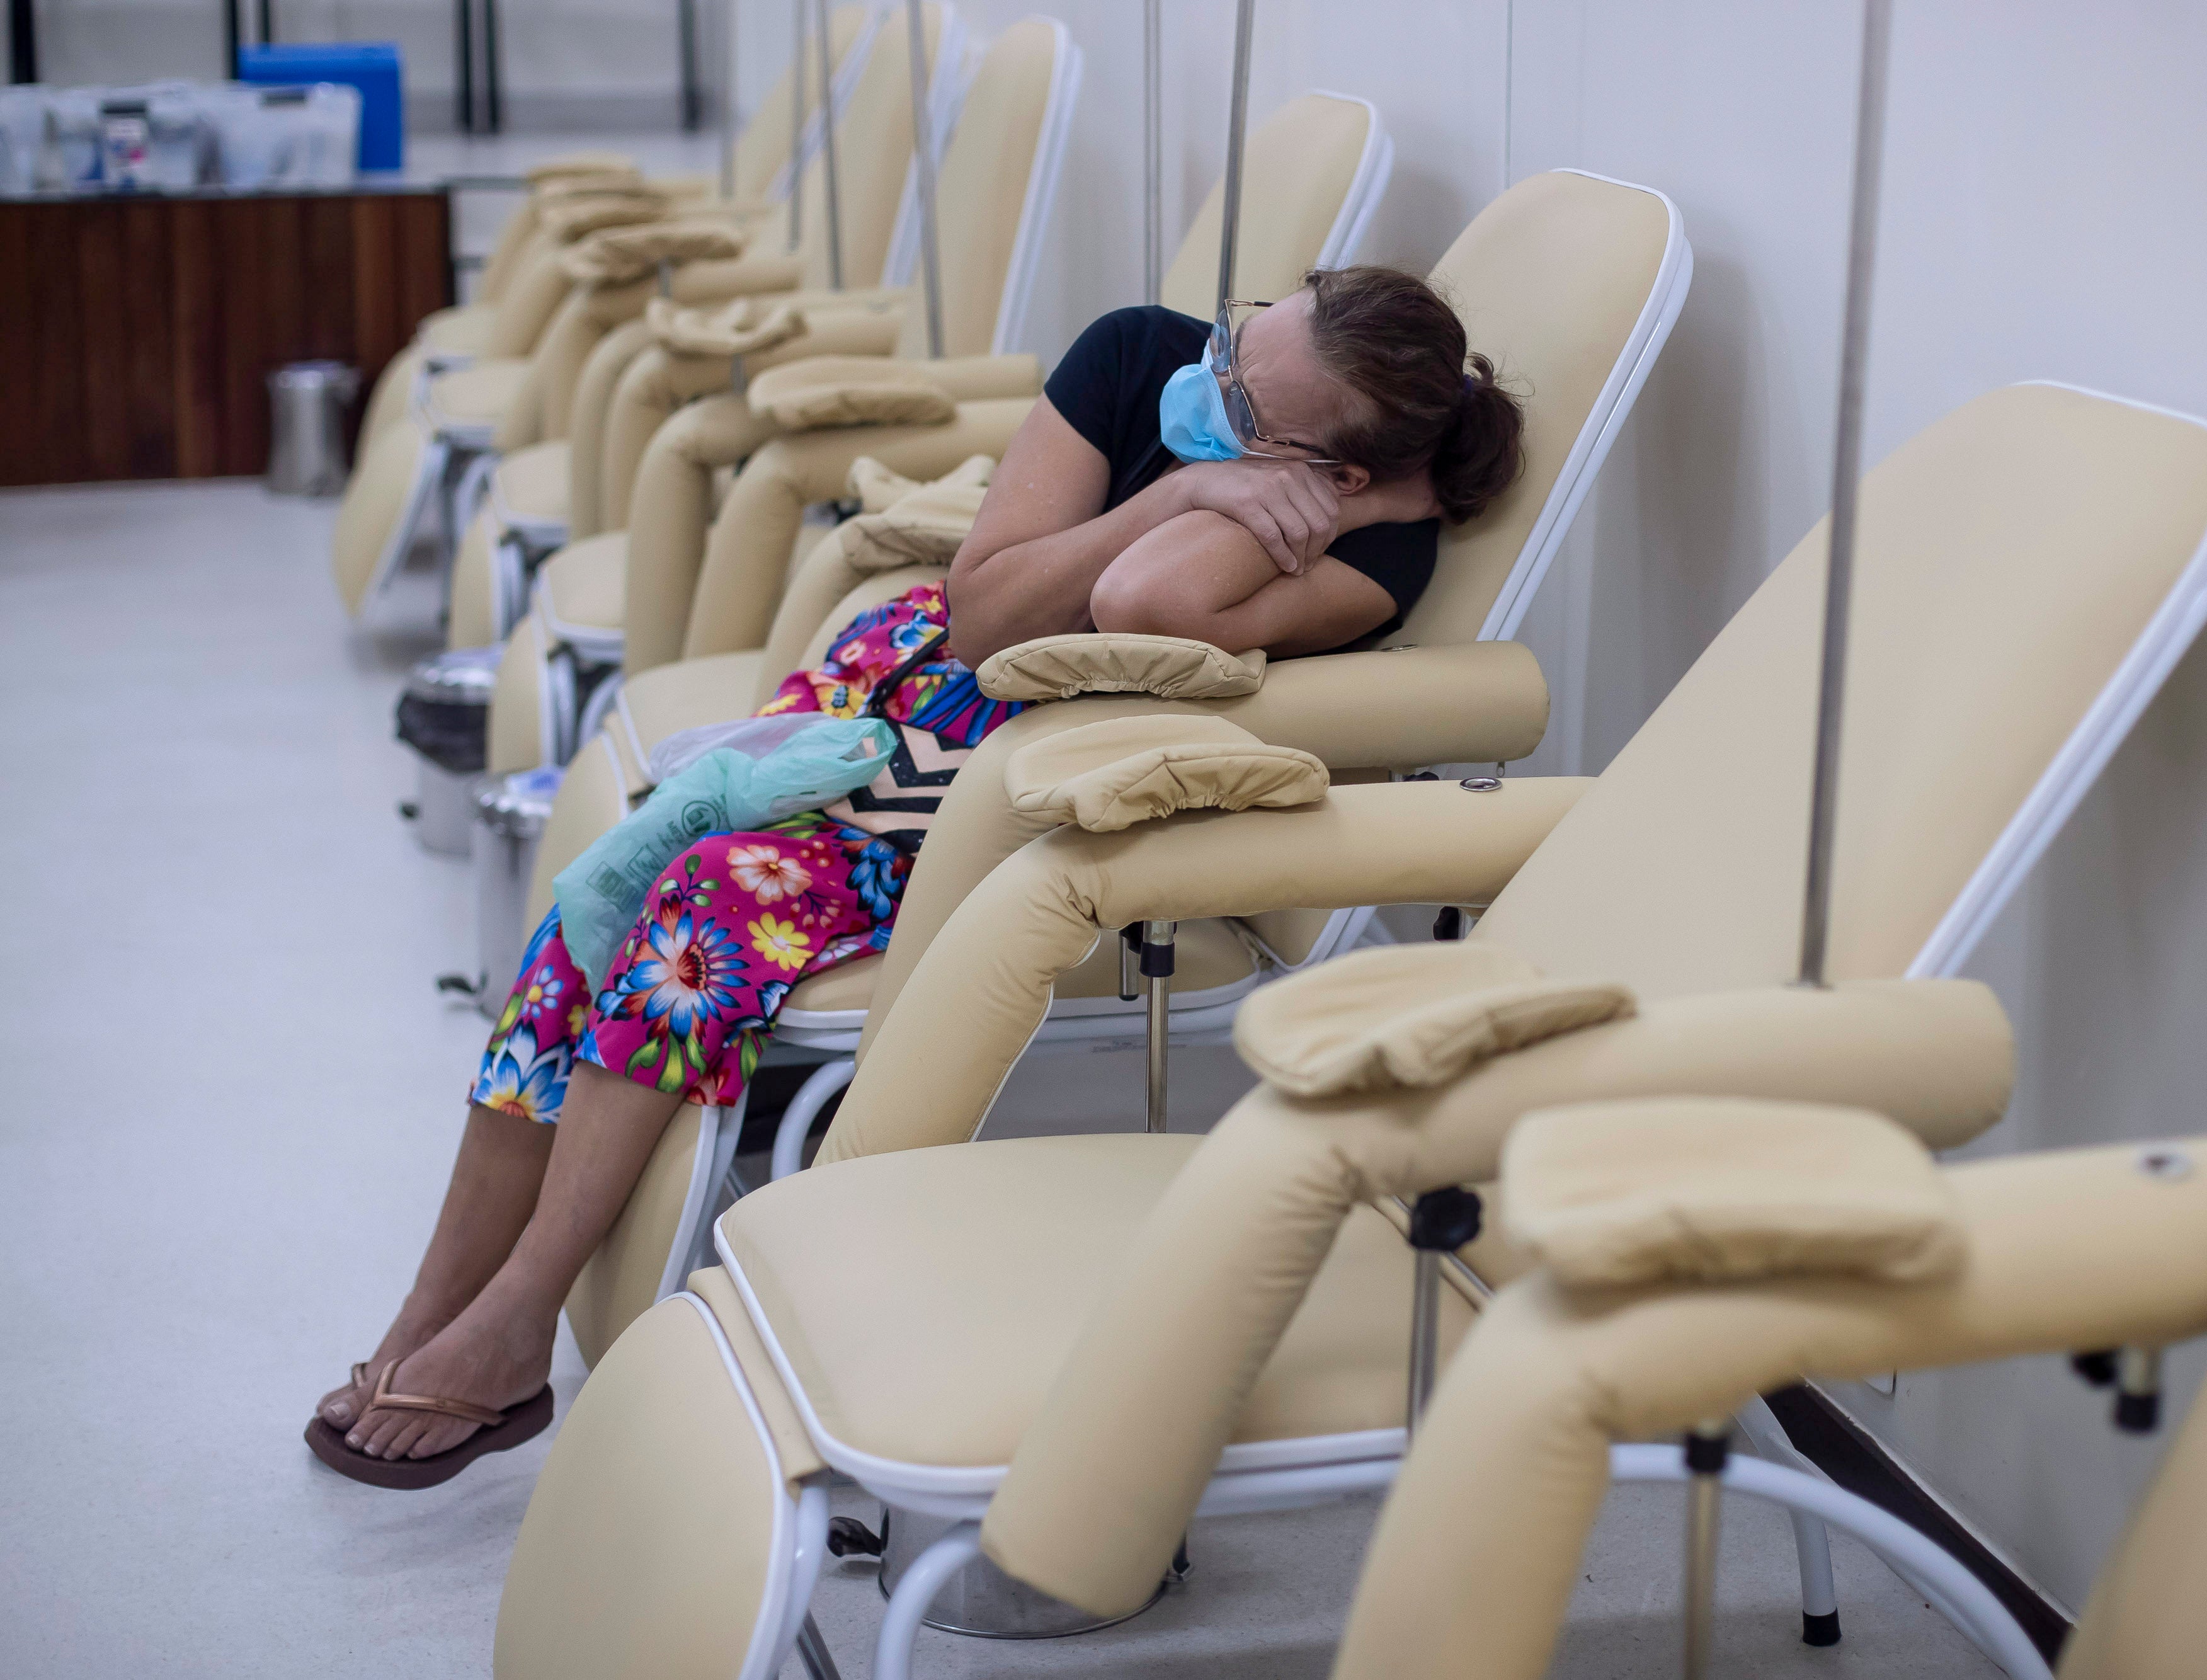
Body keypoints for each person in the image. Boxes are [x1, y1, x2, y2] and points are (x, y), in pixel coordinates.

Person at [307, 266, 1527, 1486]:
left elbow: (1137, 600)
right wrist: (1209, 478)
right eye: (1231, 339)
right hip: (890, 685)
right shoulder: (1130, 355)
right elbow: (985, 607)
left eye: (1244, 409)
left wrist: (1243, 498)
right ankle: (431, 1308)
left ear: (1338, 472)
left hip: (1012, 775)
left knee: (703, 906)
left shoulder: (1381, 553)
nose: (1200, 386)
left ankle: (520, 1311)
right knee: (594, 901)